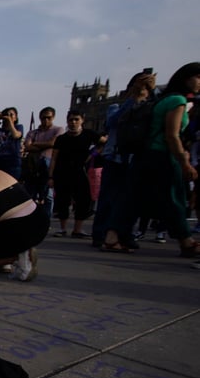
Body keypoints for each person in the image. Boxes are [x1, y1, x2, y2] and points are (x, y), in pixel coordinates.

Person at [114, 62, 200, 258]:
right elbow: (172, 135)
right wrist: (184, 161)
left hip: (147, 154)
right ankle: (186, 241)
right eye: (199, 77)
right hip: (162, 155)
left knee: (133, 198)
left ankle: (114, 236)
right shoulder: (177, 100)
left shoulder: (163, 99)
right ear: (187, 78)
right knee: (175, 198)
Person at [93, 72, 157, 250]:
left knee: (131, 199)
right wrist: (133, 99)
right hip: (115, 156)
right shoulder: (115, 107)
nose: (142, 91)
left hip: (136, 158)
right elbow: (113, 122)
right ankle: (100, 235)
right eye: (139, 86)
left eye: (146, 88)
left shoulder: (151, 107)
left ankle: (125, 234)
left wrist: (152, 91)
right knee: (107, 198)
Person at [49, 110, 106, 238]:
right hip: (62, 172)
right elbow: (54, 158)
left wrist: (94, 154)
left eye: (76, 119)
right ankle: (62, 229)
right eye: (71, 120)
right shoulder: (61, 139)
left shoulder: (89, 134)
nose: (73, 122)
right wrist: (51, 176)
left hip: (81, 172)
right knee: (63, 201)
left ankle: (77, 229)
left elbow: (104, 142)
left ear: (82, 120)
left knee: (83, 201)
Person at [22, 107, 64, 212]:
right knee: (29, 194)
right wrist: (47, 145)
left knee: (48, 196)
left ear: (53, 117)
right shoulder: (33, 132)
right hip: (33, 166)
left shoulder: (58, 130)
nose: (46, 120)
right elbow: (27, 146)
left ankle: (45, 221)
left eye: (48, 117)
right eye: (43, 117)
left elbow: (53, 143)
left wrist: (35, 144)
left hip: (49, 164)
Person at [0, 107, 24, 179]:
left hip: (13, 161)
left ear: (16, 118)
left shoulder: (19, 127)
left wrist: (10, 121)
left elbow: (16, 135)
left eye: (11, 115)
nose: (8, 116)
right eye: (6, 114)